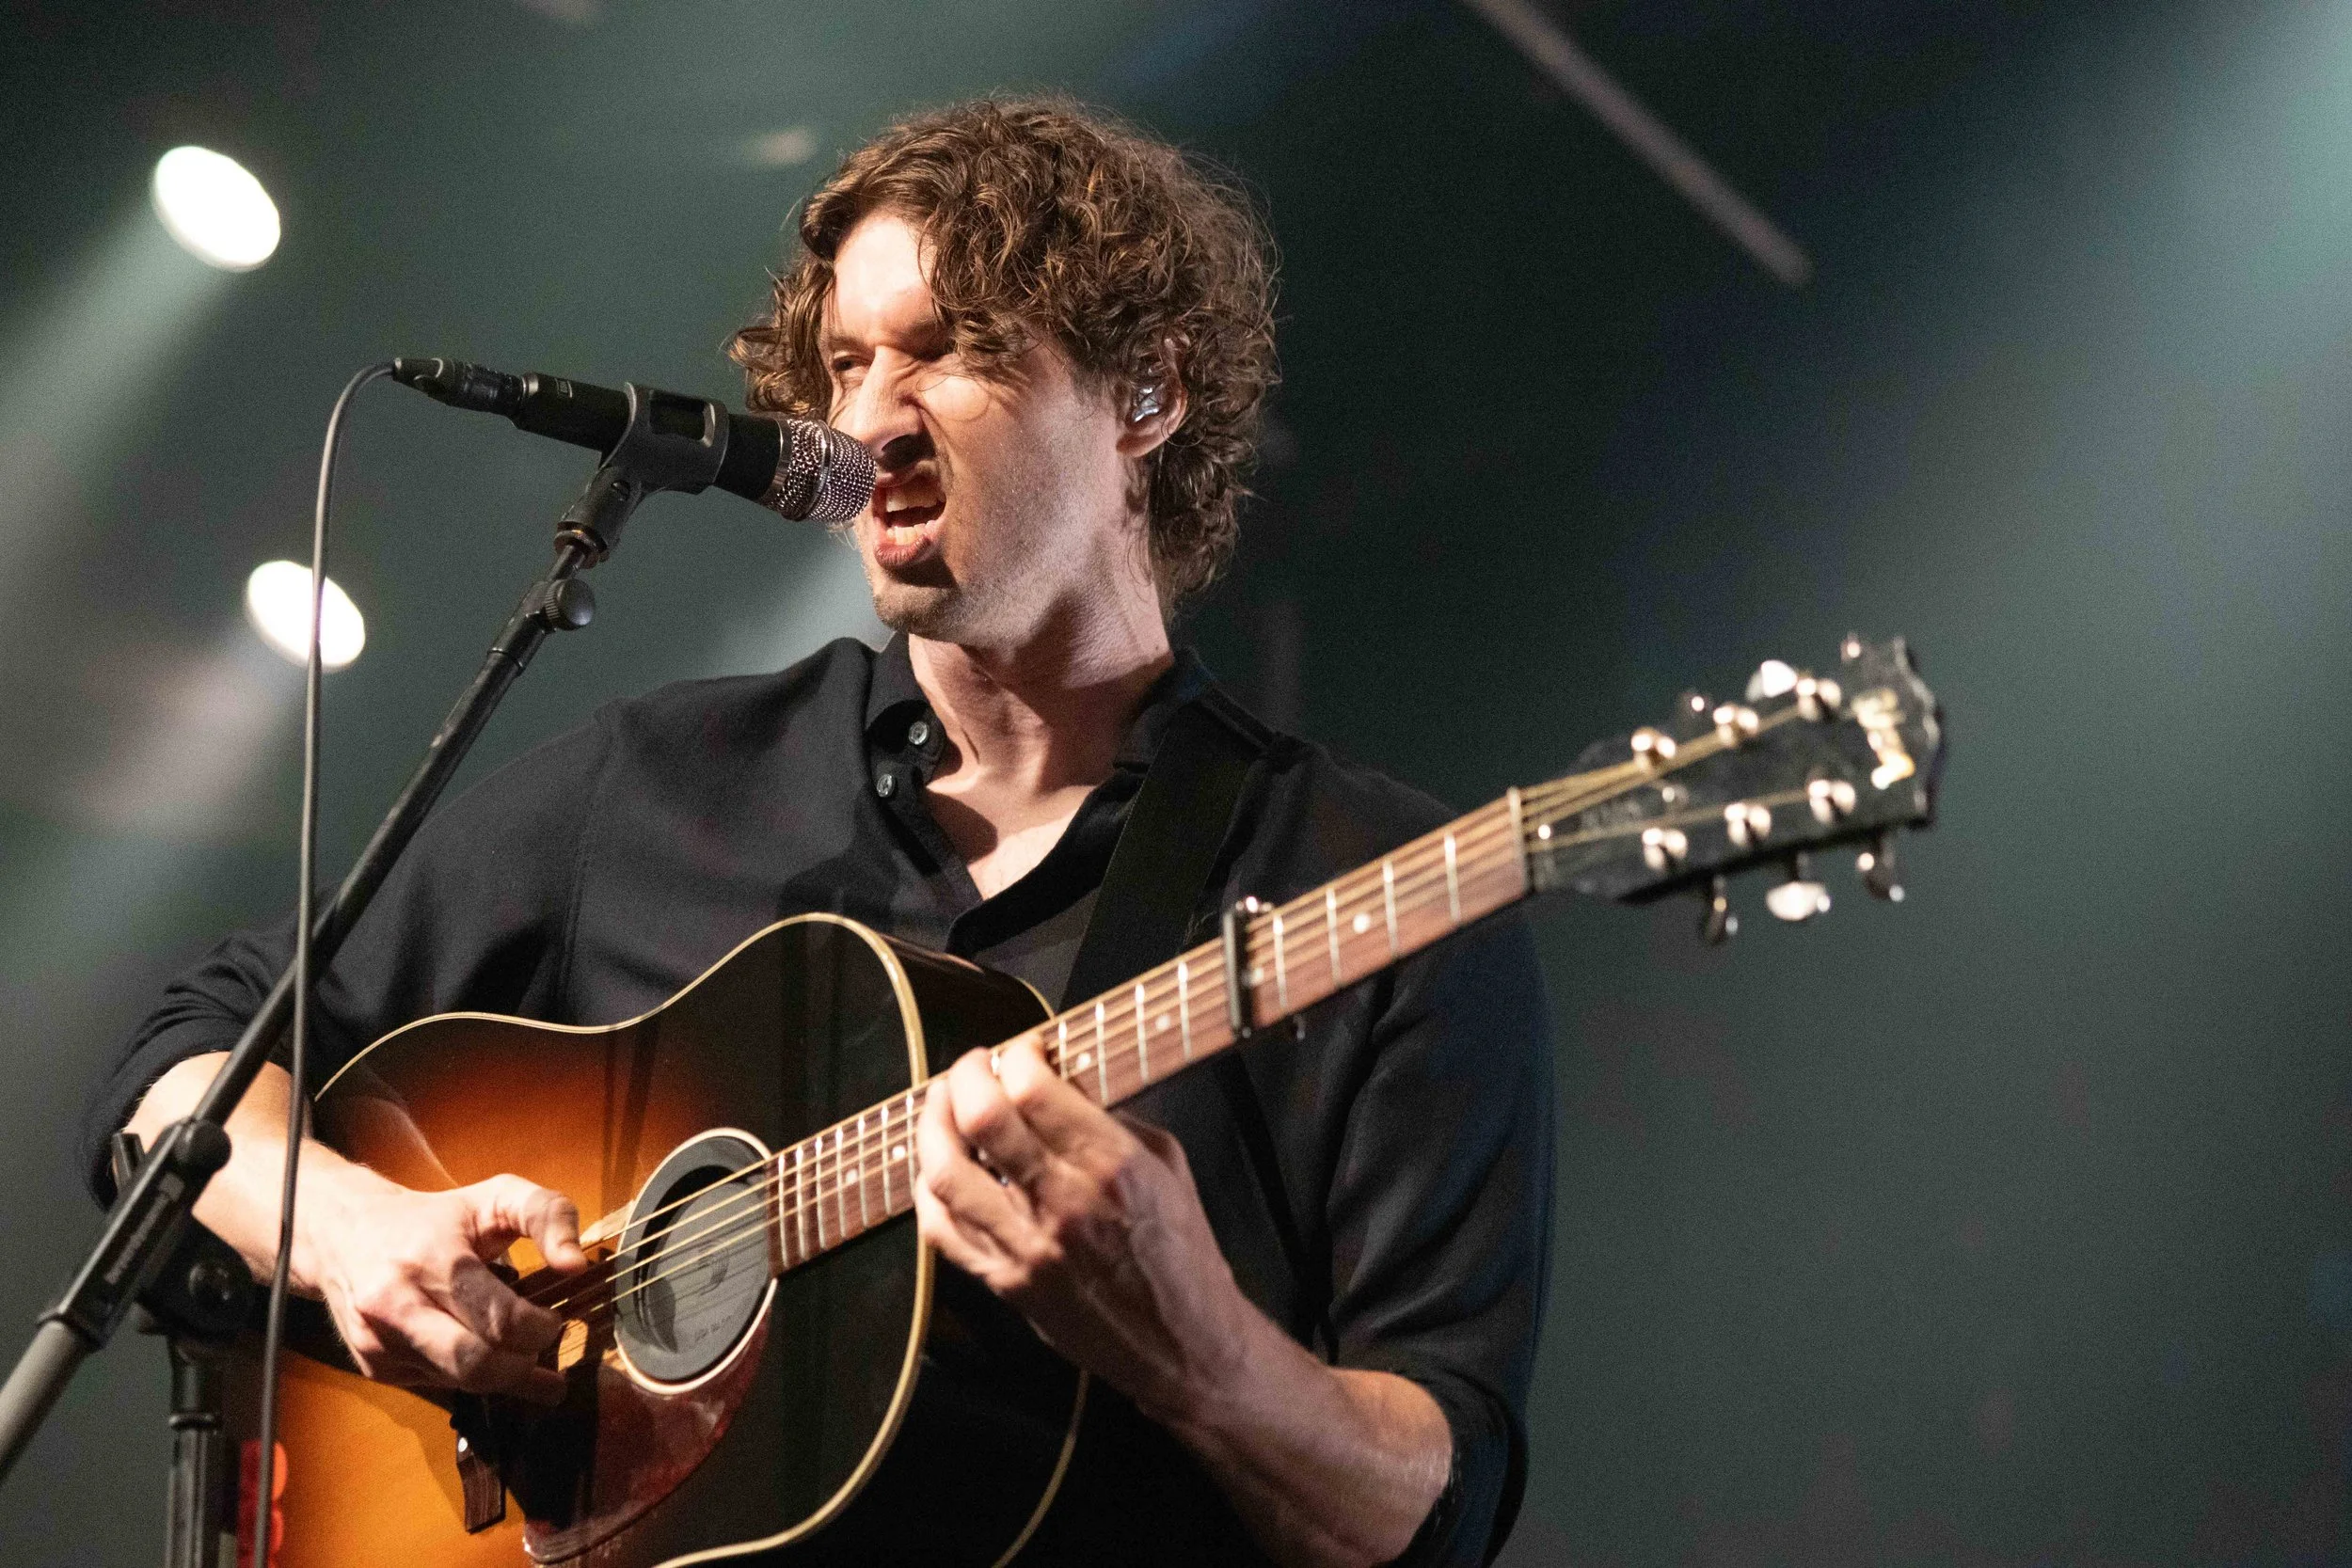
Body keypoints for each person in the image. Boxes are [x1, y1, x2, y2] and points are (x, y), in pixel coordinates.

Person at [83, 99, 1554, 1567]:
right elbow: (189, 1057)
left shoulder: (1376, 887)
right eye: (848, 363)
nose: (864, 423)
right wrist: (345, 1230)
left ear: (1148, 392)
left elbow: (1438, 1516)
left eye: (949, 349)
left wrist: (1206, 1356)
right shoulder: (662, 779)